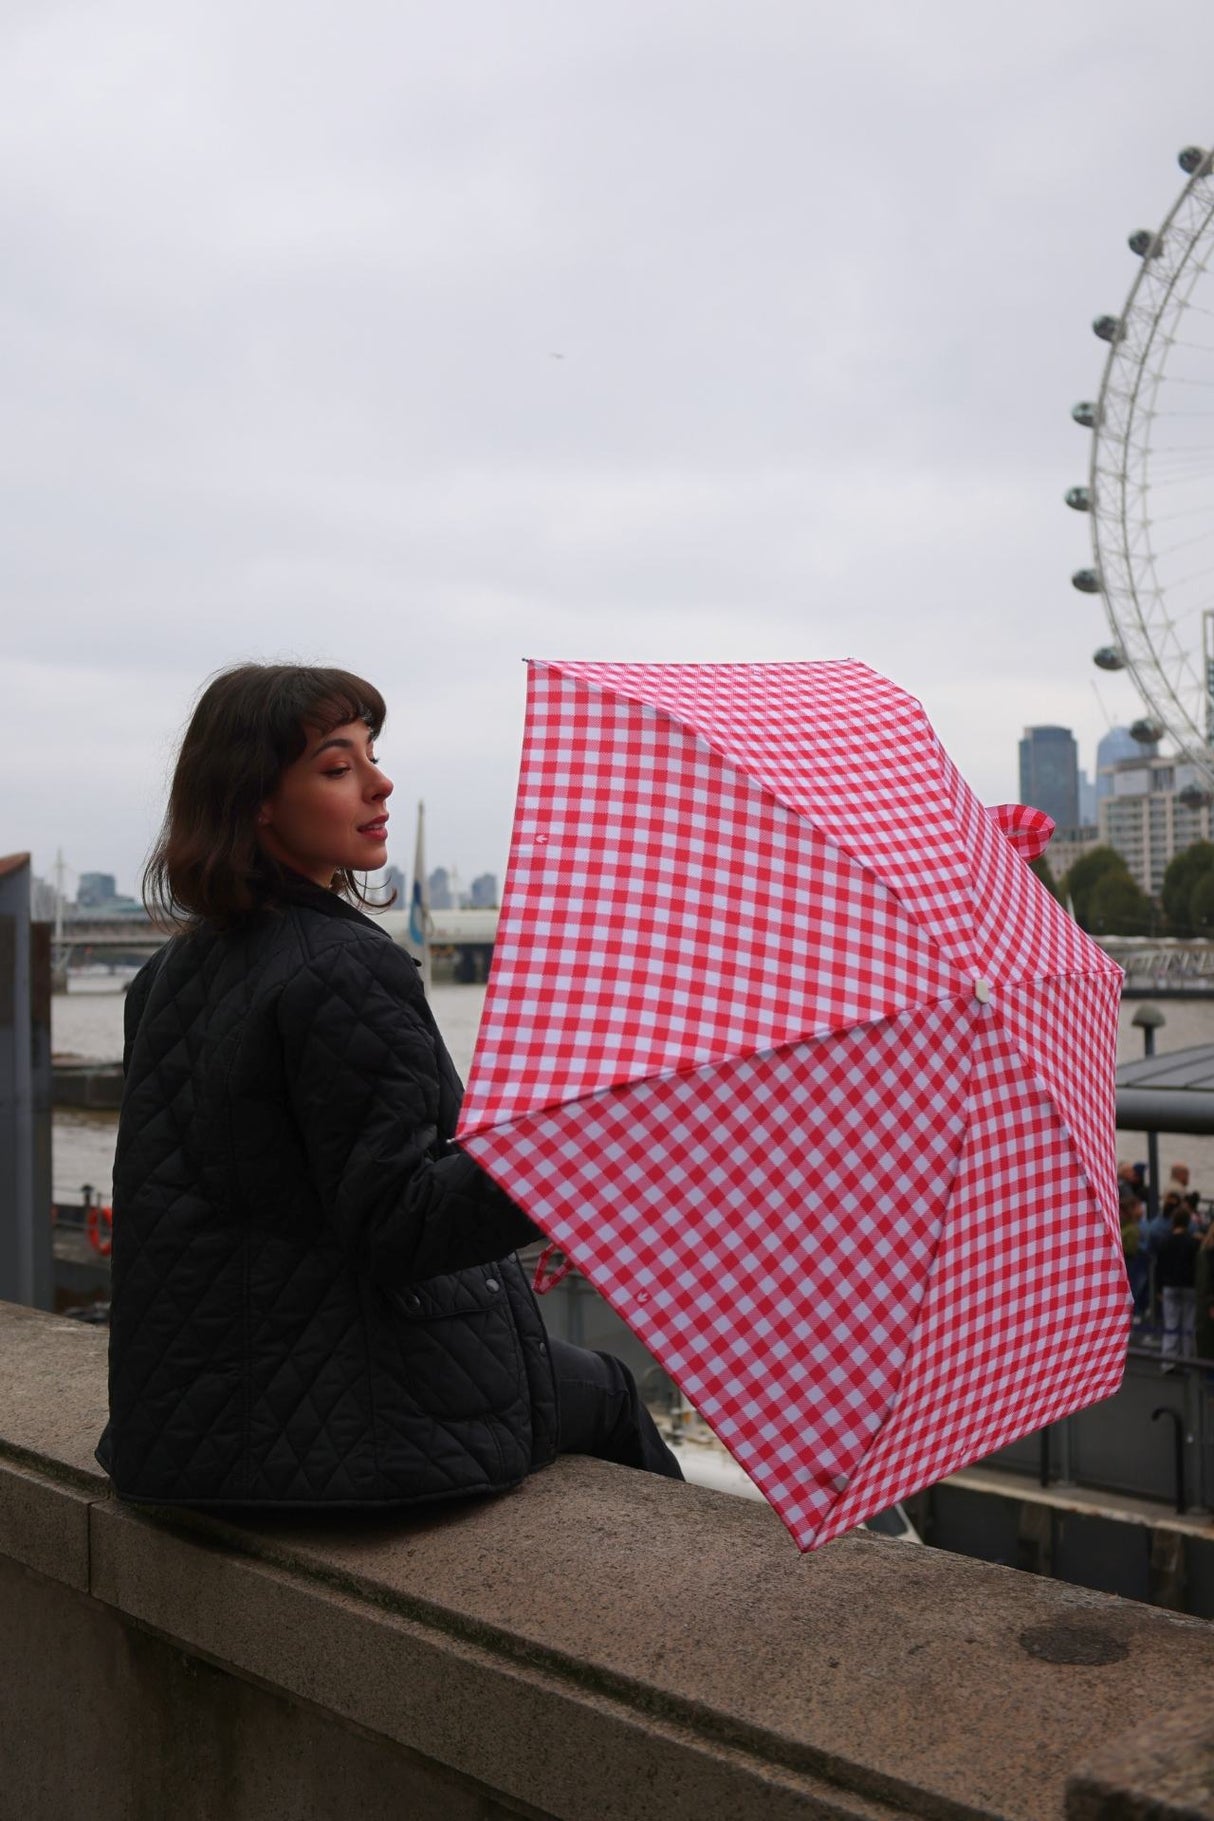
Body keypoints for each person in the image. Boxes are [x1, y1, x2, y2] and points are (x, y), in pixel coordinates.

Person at [97, 663, 682, 1507]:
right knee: (612, 1390)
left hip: (191, 1428)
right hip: (337, 1438)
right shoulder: (345, 966)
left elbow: (282, 1195)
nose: (380, 781)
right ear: (257, 800)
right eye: (339, 767)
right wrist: (568, 1148)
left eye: (372, 752)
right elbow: (400, 1224)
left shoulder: (168, 975)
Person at [1156, 1205, 1199, 1367]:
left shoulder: (1165, 1241)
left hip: (1169, 1286)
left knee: (1171, 1323)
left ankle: (1168, 1361)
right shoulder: (1193, 1242)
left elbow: (1159, 1267)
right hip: (1189, 1287)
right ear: (1188, 1223)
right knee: (1188, 1324)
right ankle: (1187, 1360)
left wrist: (1159, 1288)